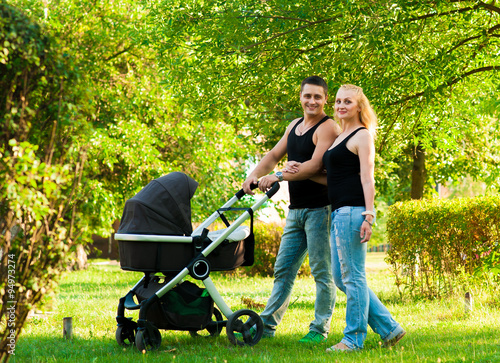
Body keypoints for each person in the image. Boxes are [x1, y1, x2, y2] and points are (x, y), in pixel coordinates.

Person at [286, 84, 406, 351]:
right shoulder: (341, 136)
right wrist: (296, 170)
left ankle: (353, 339)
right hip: (339, 211)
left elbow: (367, 177)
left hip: (353, 212)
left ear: (359, 107)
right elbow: (331, 179)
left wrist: (369, 214)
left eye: (347, 102)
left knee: (353, 277)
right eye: (338, 101)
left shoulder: (362, 136)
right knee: (343, 279)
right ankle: (389, 329)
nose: (341, 106)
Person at [242, 76, 341, 343]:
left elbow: (313, 165)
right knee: (283, 269)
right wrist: (251, 176)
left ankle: (319, 330)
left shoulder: (328, 127)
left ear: (325, 100)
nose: (312, 101)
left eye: (317, 97)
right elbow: (273, 155)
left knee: (322, 271)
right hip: (296, 210)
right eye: (307, 96)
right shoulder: (294, 126)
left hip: (321, 209)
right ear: (300, 97)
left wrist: (278, 177)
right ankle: (267, 326)